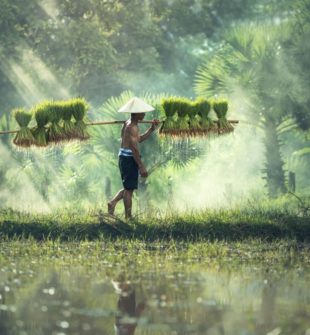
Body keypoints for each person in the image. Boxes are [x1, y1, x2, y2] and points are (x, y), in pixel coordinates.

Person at [108, 112, 159, 219]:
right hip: (128, 158)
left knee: (128, 188)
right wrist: (141, 166)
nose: (144, 114)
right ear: (136, 114)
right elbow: (134, 148)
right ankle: (128, 217)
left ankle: (112, 203)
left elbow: (138, 139)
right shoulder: (131, 127)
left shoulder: (128, 123)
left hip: (124, 156)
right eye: (142, 113)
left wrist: (151, 129)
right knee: (128, 191)